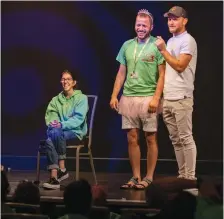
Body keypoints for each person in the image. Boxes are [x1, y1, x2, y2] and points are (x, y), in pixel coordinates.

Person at [110, 9, 165, 189]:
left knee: (150, 138)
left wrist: (156, 98)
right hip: (129, 97)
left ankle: (148, 177)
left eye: (144, 25)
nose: (140, 28)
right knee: (132, 138)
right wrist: (114, 95)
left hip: (148, 96)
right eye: (138, 25)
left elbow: (162, 75)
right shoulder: (127, 45)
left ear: (151, 27)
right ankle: (135, 176)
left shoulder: (156, 45)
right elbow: (121, 73)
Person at [155, 6, 198, 180]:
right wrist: (162, 98)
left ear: (184, 20)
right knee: (176, 140)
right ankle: (182, 177)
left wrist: (163, 50)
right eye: (169, 19)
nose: (171, 22)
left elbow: (180, 65)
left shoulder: (188, 40)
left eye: (175, 18)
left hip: (182, 98)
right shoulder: (171, 41)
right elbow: (167, 72)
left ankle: (190, 178)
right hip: (169, 98)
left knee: (186, 139)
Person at [43, 70, 88, 189]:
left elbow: (78, 119)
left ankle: (56, 174)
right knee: (53, 132)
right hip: (59, 133)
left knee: (50, 138)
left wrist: (61, 125)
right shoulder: (56, 100)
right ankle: (60, 171)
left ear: (74, 82)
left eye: (68, 79)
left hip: (75, 132)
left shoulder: (82, 98)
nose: (65, 82)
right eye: (63, 79)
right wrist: (54, 123)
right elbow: (51, 114)